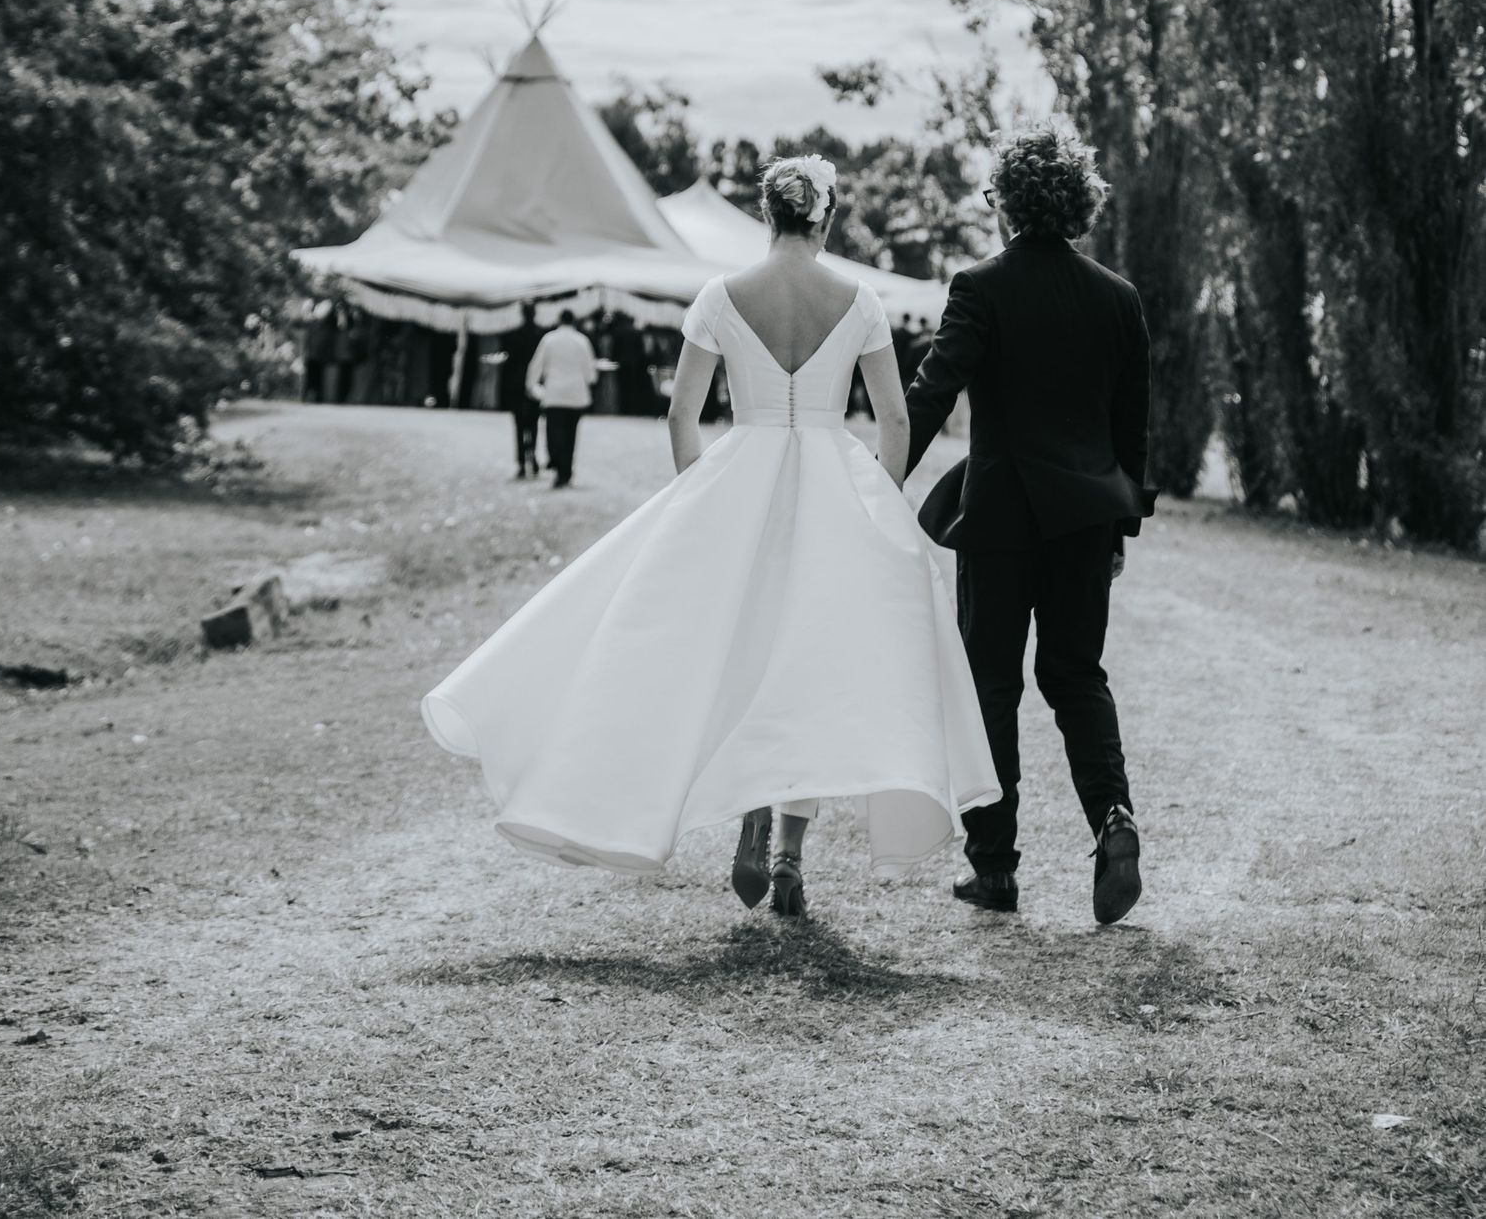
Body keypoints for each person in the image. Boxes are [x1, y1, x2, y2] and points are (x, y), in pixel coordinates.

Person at [421, 155, 996, 910]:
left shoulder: (721, 296)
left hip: (741, 479)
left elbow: (681, 413)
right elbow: (893, 418)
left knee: (740, 654)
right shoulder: (859, 300)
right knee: (808, 667)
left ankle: (752, 818)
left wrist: (702, 495)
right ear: (824, 217)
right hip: (832, 489)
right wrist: (878, 506)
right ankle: (788, 854)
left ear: (767, 215)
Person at [904, 119, 1155, 927]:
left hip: (1001, 518)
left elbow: (933, 392)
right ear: (1078, 203)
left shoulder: (980, 286)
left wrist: (877, 476)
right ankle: (1113, 817)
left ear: (1006, 201)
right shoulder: (1118, 297)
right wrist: (1120, 532)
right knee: (1077, 675)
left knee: (991, 684)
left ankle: (995, 870)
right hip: (1087, 519)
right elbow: (1132, 430)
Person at [526, 309, 599, 487]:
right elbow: (590, 372)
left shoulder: (549, 339)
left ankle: (556, 461)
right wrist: (589, 380)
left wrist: (531, 385)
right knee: (571, 435)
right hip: (576, 394)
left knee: (554, 432)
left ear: (559, 320)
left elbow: (536, 364)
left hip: (555, 393)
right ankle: (566, 471)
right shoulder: (582, 340)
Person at [498, 316, 544, 478]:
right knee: (533, 423)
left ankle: (522, 462)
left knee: (519, 425)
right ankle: (533, 455)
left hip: (517, 385)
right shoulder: (540, 335)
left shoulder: (514, 334)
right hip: (534, 383)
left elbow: (509, 362)